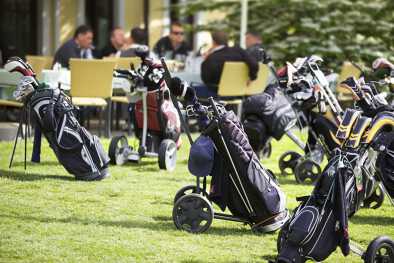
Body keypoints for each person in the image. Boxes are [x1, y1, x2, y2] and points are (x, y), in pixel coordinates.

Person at [198, 30, 259, 97]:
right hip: (239, 91)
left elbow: (205, 79)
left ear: (213, 41)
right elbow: (254, 64)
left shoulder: (212, 57)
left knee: (192, 91)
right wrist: (252, 78)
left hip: (218, 92)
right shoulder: (238, 51)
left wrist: (205, 61)